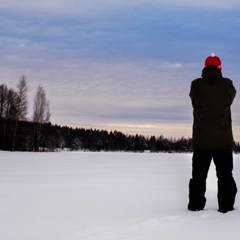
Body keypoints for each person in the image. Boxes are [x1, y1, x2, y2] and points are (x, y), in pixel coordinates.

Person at [188, 53, 237, 213]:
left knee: (198, 177)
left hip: (201, 142)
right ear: (220, 68)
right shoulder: (227, 84)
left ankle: (195, 206)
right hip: (223, 142)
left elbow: (194, 100)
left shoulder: (196, 85)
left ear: (205, 67)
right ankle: (226, 207)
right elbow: (231, 97)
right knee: (225, 176)